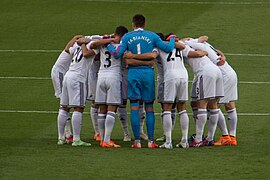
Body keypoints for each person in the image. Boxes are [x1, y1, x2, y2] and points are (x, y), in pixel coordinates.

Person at [107, 14, 176, 148]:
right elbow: (168, 48)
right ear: (144, 24)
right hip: (147, 73)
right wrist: (172, 39)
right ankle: (151, 141)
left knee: (134, 106)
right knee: (149, 107)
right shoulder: (152, 36)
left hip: (133, 73)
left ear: (133, 24)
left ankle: (137, 141)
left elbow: (117, 54)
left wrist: (109, 45)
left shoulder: (127, 36)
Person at [184, 36, 238, 145]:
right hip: (229, 72)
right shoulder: (206, 45)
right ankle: (231, 137)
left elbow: (199, 50)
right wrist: (222, 56)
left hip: (223, 75)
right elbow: (216, 50)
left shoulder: (195, 45)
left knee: (213, 105)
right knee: (229, 105)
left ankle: (224, 136)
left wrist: (188, 42)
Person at [89, 26, 130, 148]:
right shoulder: (122, 46)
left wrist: (107, 39)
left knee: (102, 109)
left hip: (101, 77)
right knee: (112, 109)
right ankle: (107, 140)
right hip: (114, 78)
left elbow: (92, 45)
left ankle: (102, 139)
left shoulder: (103, 43)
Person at [57, 36, 98, 146]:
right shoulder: (93, 47)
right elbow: (87, 54)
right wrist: (84, 43)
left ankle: (61, 138)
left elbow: (67, 49)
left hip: (68, 76)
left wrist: (80, 42)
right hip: (78, 78)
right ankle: (76, 139)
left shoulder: (76, 46)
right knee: (78, 108)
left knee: (64, 107)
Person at [181, 42, 224, 147]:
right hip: (216, 71)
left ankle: (198, 140)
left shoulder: (181, 48)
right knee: (210, 105)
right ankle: (209, 138)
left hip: (205, 72)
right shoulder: (188, 44)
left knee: (202, 104)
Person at [51, 35, 83, 143]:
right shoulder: (75, 48)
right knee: (64, 104)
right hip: (60, 73)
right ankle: (67, 134)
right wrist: (75, 38)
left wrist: (74, 38)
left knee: (65, 105)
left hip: (63, 74)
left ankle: (66, 135)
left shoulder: (73, 47)